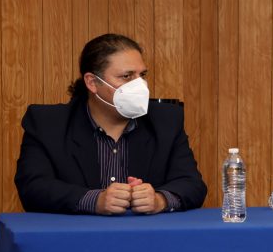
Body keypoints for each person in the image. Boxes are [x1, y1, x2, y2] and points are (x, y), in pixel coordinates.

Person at [15, 33, 207, 215]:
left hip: (147, 239)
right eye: (127, 76)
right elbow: (33, 188)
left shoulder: (165, 120)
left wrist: (160, 200)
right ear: (92, 82)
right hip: (76, 240)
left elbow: (192, 184)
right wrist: (95, 201)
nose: (140, 86)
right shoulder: (48, 124)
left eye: (142, 75)